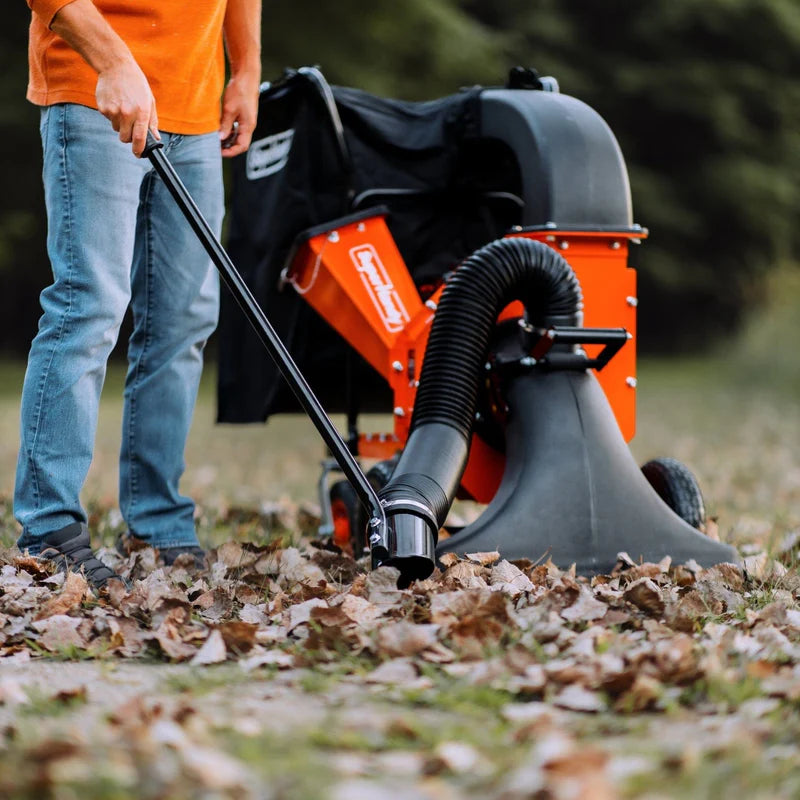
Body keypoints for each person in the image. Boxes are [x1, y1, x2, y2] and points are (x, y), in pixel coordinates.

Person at [18, 0, 261, 586]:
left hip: (196, 105)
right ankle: (50, 530)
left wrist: (246, 70)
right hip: (95, 87)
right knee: (90, 306)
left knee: (185, 319)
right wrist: (114, 61)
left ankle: (158, 523)